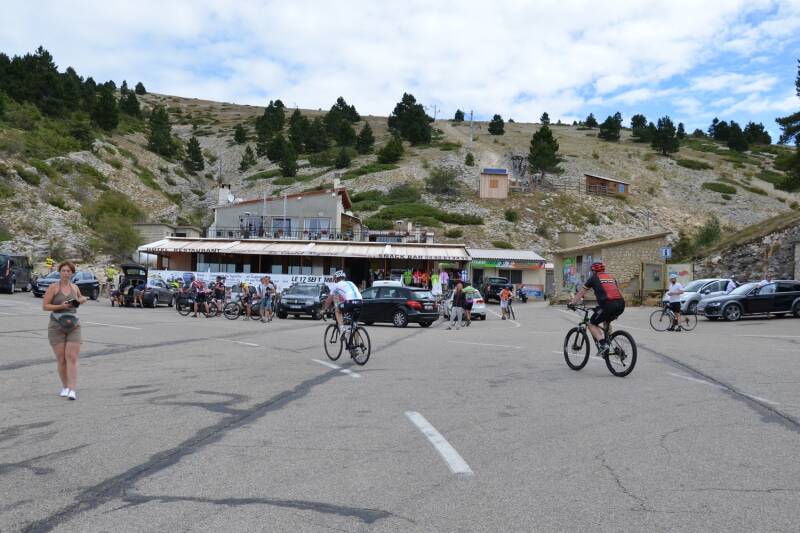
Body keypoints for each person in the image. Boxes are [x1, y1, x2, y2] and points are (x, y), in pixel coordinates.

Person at [43, 261, 87, 401]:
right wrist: (61, 305)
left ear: (72, 273)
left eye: (69, 271)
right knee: (61, 359)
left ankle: (72, 390)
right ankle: (65, 386)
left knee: (72, 358)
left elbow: (79, 298)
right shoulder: (53, 287)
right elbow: (45, 306)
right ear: (59, 272)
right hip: (56, 326)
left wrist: (81, 300)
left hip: (74, 325)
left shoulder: (75, 287)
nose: (66, 273)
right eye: (64, 271)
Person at [568, 262, 625, 356]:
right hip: (621, 304)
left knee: (591, 323)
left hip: (608, 305)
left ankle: (603, 345)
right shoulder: (611, 277)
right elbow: (613, 291)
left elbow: (581, 293)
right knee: (606, 320)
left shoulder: (594, 278)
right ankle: (609, 340)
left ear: (593, 271)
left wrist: (572, 303)